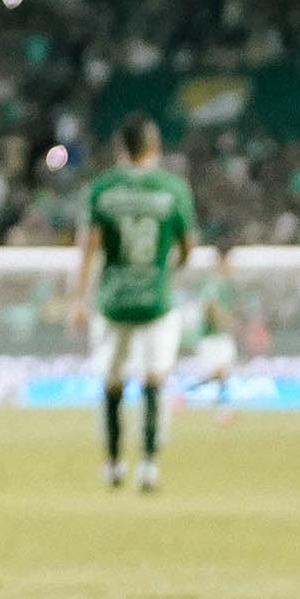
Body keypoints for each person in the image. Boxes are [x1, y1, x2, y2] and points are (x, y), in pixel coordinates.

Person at [73, 115, 197, 491]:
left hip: (113, 301)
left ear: (120, 149)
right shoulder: (173, 189)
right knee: (154, 380)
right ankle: (149, 466)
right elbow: (187, 248)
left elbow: (89, 250)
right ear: (154, 147)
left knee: (112, 383)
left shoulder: (102, 189)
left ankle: (112, 465)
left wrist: (79, 299)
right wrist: (166, 273)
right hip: (157, 300)